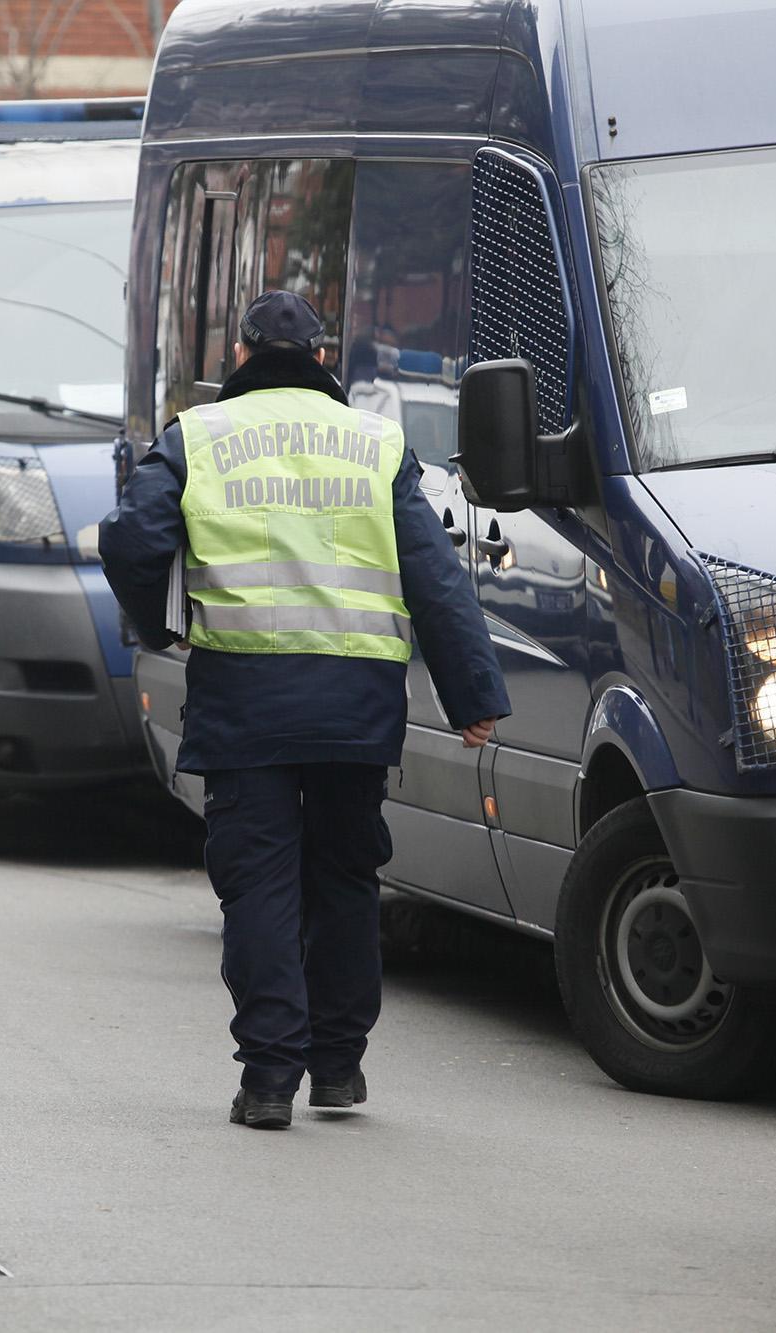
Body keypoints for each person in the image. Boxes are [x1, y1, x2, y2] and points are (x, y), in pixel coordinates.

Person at [101, 291, 509, 1130]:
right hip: (354, 706)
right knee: (344, 876)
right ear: (324, 361)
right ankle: (338, 1067)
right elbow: (434, 573)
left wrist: (161, 623)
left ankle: (269, 1080)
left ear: (241, 357)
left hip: (244, 699)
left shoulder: (197, 437)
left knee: (258, 886)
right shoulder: (376, 443)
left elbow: (130, 538)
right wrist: (473, 695)